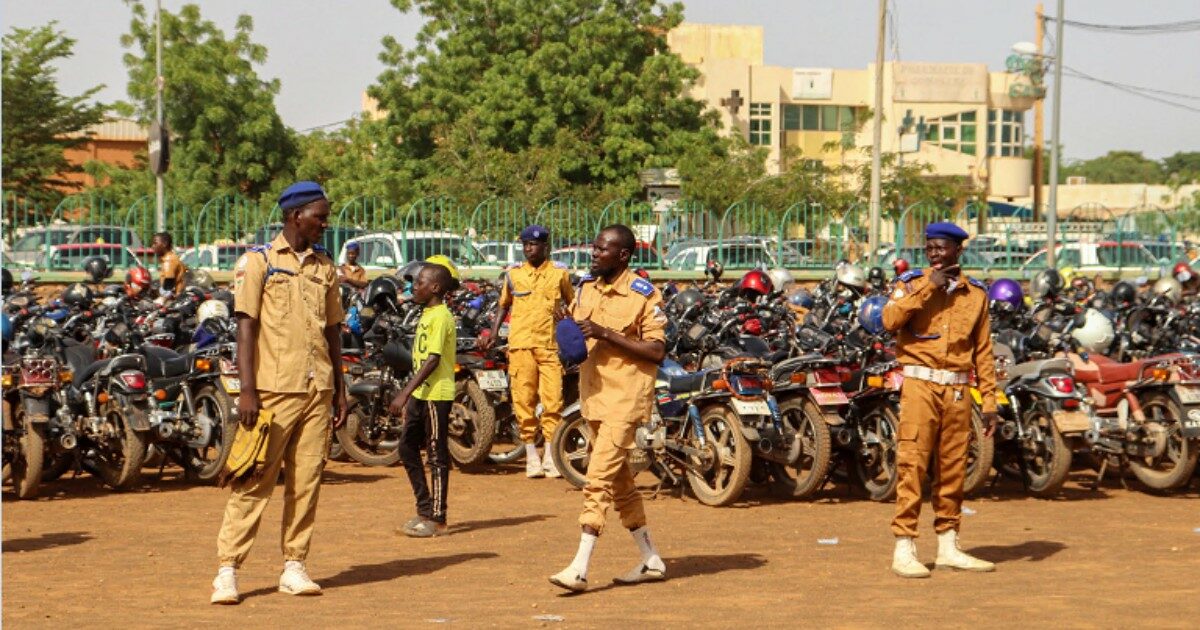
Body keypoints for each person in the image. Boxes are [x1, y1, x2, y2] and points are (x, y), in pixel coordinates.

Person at [210, 181, 348, 604]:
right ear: (295, 216)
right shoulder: (259, 262)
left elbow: (333, 331)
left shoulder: (325, 267)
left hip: (317, 388)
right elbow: (245, 326)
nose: (325, 224)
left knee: (306, 483)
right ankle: (228, 570)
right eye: (319, 217)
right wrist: (246, 391)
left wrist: (340, 388)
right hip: (272, 390)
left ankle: (294, 564)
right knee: (253, 480)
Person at [548, 224, 668, 593]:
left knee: (596, 480)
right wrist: (564, 326)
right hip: (594, 398)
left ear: (623, 256)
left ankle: (579, 568)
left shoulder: (643, 295)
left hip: (625, 400)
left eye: (602, 250)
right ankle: (651, 560)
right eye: (595, 248)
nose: (594, 254)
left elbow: (657, 351)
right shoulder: (585, 287)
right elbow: (577, 338)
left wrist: (604, 332)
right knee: (622, 486)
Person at [881, 222, 998, 579]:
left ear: (958, 251)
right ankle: (904, 547)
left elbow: (984, 351)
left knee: (953, 468)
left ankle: (948, 545)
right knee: (912, 464)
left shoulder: (975, 294)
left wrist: (990, 401)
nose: (934, 253)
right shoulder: (912, 284)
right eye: (930, 247)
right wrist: (925, 291)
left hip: (959, 389)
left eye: (941, 247)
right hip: (920, 385)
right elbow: (889, 320)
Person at [478, 225, 574, 478]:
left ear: (545, 246)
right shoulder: (513, 275)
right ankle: (531, 454)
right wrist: (492, 333)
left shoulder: (559, 274)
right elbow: (502, 306)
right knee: (524, 400)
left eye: (534, 245)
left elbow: (572, 303)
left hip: (550, 345)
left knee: (553, 400)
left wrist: (567, 318)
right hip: (520, 345)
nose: (529, 249)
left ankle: (552, 455)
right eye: (525, 245)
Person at [387, 257, 460, 538]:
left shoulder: (441, 316)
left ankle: (438, 518)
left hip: (436, 393)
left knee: (436, 454)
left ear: (435, 287)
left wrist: (403, 393)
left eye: (419, 283)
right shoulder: (426, 314)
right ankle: (424, 508)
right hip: (421, 391)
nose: (414, 287)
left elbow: (432, 360)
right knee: (406, 447)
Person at [151, 232, 188, 297]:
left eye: (155, 243)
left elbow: (168, 286)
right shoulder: (170, 257)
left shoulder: (169, 260)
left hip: (174, 299)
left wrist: (160, 298)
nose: (153, 246)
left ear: (165, 244)